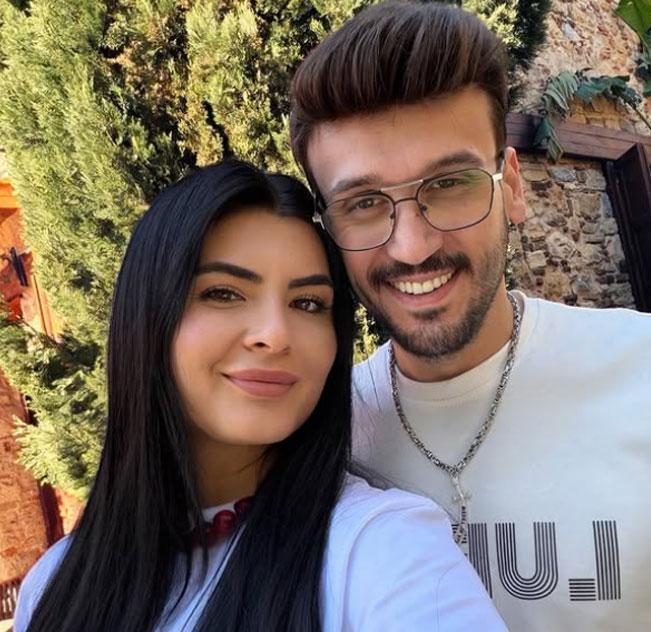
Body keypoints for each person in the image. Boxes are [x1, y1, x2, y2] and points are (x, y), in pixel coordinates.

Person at [13, 159, 504, 632]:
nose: (275, 334)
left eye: (308, 303)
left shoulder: (383, 550)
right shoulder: (56, 584)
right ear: (147, 316)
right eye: (223, 293)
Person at [289, 2, 651, 631]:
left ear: (512, 186)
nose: (412, 247)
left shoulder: (640, 372)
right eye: (365, 202)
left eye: (449, 183)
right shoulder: (317, 443)